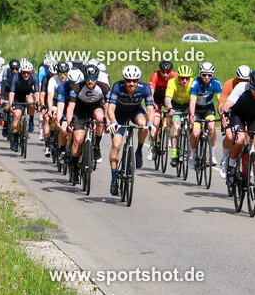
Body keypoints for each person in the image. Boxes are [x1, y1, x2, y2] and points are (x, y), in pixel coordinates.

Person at [219, 69, 255, 200]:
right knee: (239, 139)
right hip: (238, 116)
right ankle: (232, 166)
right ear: (249, 85)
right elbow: (228, 103)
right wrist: (224, 111)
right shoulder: (241, 87)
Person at [105, 65, 155, 196]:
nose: (131, 83)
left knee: (143, 124)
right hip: (120, 114)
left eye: (134, 80)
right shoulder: (117, 87)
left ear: (138, 80)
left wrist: (150, 123)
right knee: (116, 145)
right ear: (124, 80)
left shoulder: (145, 88)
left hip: (135, 111)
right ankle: (114, 179)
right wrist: (114, 121)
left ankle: (138, 150)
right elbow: (110, 109)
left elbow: (150, 109)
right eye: (128, 80)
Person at [63, 64, 107, 180]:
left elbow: (109, 105)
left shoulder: (103, 87)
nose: (90, 81)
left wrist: (108, 121)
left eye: (93, 78)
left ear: (97, 78)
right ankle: (75, 167)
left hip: (95, 107)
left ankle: (96, 146)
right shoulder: (77, 87)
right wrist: (69, 124)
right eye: (88, 78)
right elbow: (70, 108)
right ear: (84, 77)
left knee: (100, 117)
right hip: (80, 110)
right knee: (78, 139)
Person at [217, 65, 250, 178]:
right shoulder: (229, 84)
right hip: (231, 113)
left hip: (246, 113)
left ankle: (246, 163)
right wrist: (222, 116)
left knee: (248, 136)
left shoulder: (252, 85)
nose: (243, 83)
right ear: (237, 78)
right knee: (230, 137)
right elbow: (221, 104)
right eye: (241, 80)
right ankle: (226, 160)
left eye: (246, 80)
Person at [189, 61, 222, 170]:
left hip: (208, 109)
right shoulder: (195, 83)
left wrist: (222, 115)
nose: (207, 78)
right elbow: (192, 102)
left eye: (209, 75)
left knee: (212, 127)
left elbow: (220, 101)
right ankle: (192, 156)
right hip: (197, 110)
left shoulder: (216, 83)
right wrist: (192, 115)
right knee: (195, 132)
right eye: (204, 75)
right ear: (200, 74)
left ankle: (212, 155)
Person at [163, 64, 194, 167]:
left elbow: (196, 100)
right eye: (182, 78)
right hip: (176, 105)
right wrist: (170, 108)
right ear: (178, 77)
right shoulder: (172, 82)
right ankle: (174, 154)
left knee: (194, 127)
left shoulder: (194, 83)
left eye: (187, 78)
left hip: (188, 104)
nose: (184, 81)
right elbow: (167, 98)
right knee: (176, 127)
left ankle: (192, 150)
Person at [148, 60, 176, 158]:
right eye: (163, 71)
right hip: (157, 99)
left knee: (171, 118)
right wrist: (152, 106)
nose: (165, 74)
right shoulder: (155, 75)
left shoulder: (174, 76)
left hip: (169, 99)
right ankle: (151, 146)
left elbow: (176, 94)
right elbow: (150, 93)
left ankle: (169, 133)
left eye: (167, 72)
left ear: (171, 71)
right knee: (155, 122)